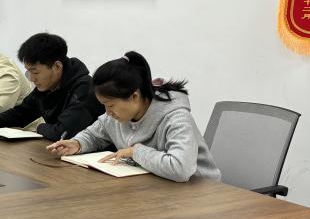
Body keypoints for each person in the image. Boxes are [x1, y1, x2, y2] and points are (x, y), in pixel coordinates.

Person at [47, 51, 220, 182]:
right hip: (155, 188)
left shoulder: (176, 117)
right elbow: (94, 135)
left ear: (134, 96)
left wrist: (136, 152)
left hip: (200, 193)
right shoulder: (116, 115)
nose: (107, 112)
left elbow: (181, 168)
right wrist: (77, 144)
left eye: (110, 105)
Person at [0, 33, 104, 140]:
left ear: (57, 66)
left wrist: (39, 127)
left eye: (35, 72)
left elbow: (63, 133)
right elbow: (22, 113)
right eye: (28, 71)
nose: (32, 78)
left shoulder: (84, 88)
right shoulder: (47, 85)